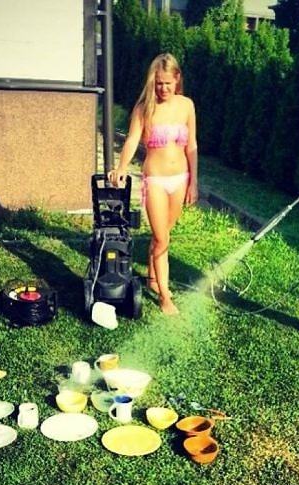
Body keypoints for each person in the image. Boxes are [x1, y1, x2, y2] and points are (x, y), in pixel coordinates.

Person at [108, 53, 198, 315]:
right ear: (152, 81)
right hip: (156, 180)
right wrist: (122, 167)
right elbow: (132, 139)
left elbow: (191, 145)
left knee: (163, 236)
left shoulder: (186, 106)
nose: (163, 88)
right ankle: (165, 297)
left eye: (168, 83)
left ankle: (152, 277)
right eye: (159, 83)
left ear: (177, 79)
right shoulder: (144, 107)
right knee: (162, 238)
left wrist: (194, 181)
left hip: (180, 179)